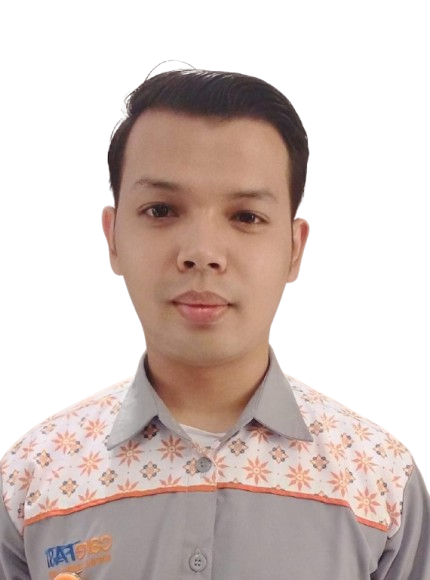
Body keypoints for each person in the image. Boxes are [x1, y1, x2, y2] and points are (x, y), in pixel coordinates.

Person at [0, 69, 429, 580]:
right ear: (112, 238)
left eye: (246, 216)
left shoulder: (381, 483)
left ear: (294, 249)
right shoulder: (31, 481)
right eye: (161, 209)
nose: (202, 253)